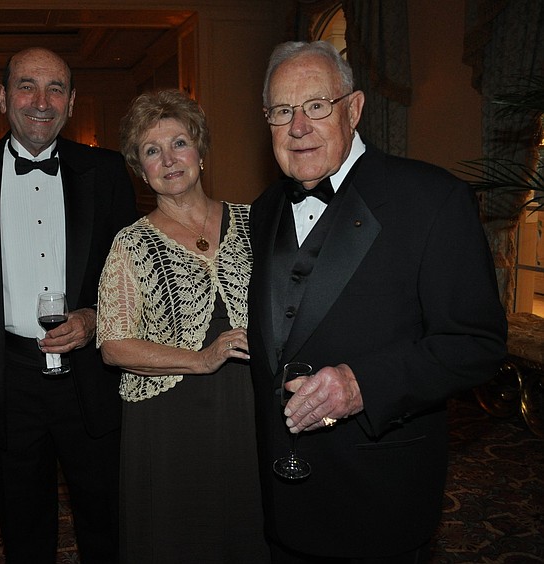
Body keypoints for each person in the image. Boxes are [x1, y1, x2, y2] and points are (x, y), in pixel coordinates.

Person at [248, 40, 507, 563]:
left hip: (377, 491)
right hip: (280, 495)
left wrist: (363, 384)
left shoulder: (432, 199)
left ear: (355, 108)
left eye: (317, 105)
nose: (298, 126)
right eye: (281, 111)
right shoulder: (265, 207)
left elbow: (476, 344)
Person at [0, 47, 138, 563]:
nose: (41, 102)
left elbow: (131, 276)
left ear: (71, 101)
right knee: (22, 525)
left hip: (91, 372)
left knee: (106, 516)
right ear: (3, 97)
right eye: (27, 86)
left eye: (56, 89)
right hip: (9, 376)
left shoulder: (107, 172)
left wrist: (94, 318)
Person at [97, 89, 269, 563]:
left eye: (179, 143)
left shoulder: (256, 223)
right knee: (182, 538)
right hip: (170, 420)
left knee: (253, 528)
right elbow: (113, 345)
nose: (169, 159)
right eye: (152, 150)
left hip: (251, 408)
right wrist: (200, 358)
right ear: (140, 166)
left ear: (201, 150)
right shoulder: (130, 245)